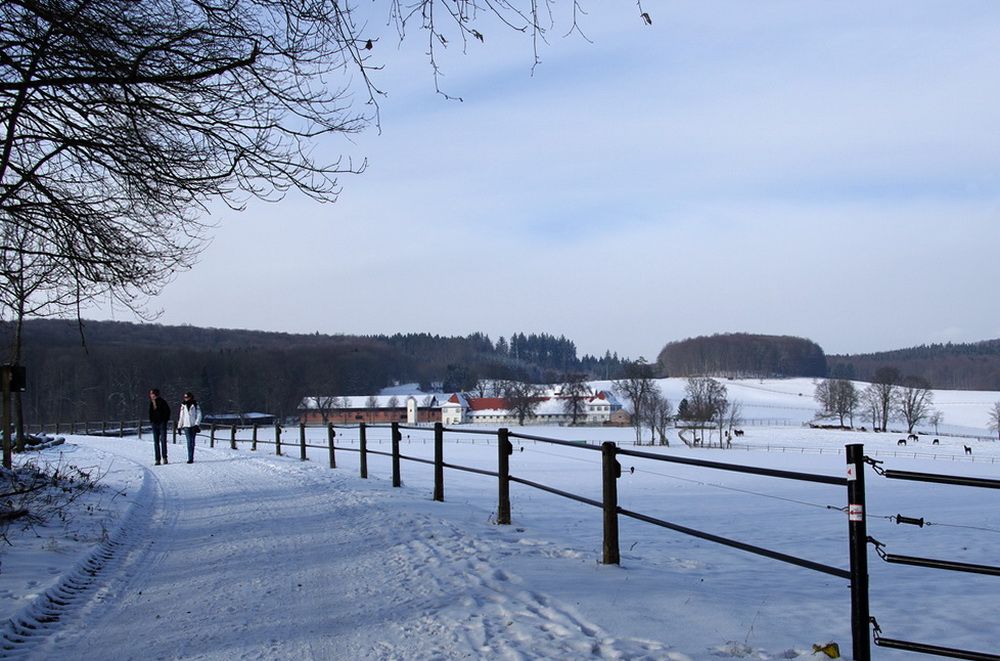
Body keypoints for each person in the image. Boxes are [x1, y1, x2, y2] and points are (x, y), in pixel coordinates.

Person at [177, 391, 202, 464]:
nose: (185, 398)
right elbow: (181, 417)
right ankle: (189, 457)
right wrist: (179, 426)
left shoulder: (195, 405)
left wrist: (197, 424)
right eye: (184, 397)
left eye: (187, 397)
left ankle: (191, 457)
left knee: (192, 441)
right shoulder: (183, 405)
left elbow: (199, 415)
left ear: (190, 397)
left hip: (193, 425)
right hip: (186, 425)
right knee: (189, 442)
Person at [148, 389, 171, 465]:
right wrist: (151, 420)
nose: (151, 396)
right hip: (154, 424)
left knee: (163, 441)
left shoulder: (162, 402)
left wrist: (164, 420)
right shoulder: (152, 403)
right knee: (156, 442)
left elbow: (167, 411)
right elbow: (150, 412)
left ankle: (165, 457)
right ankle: (157, 459)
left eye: (152, 394)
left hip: (161, 423)